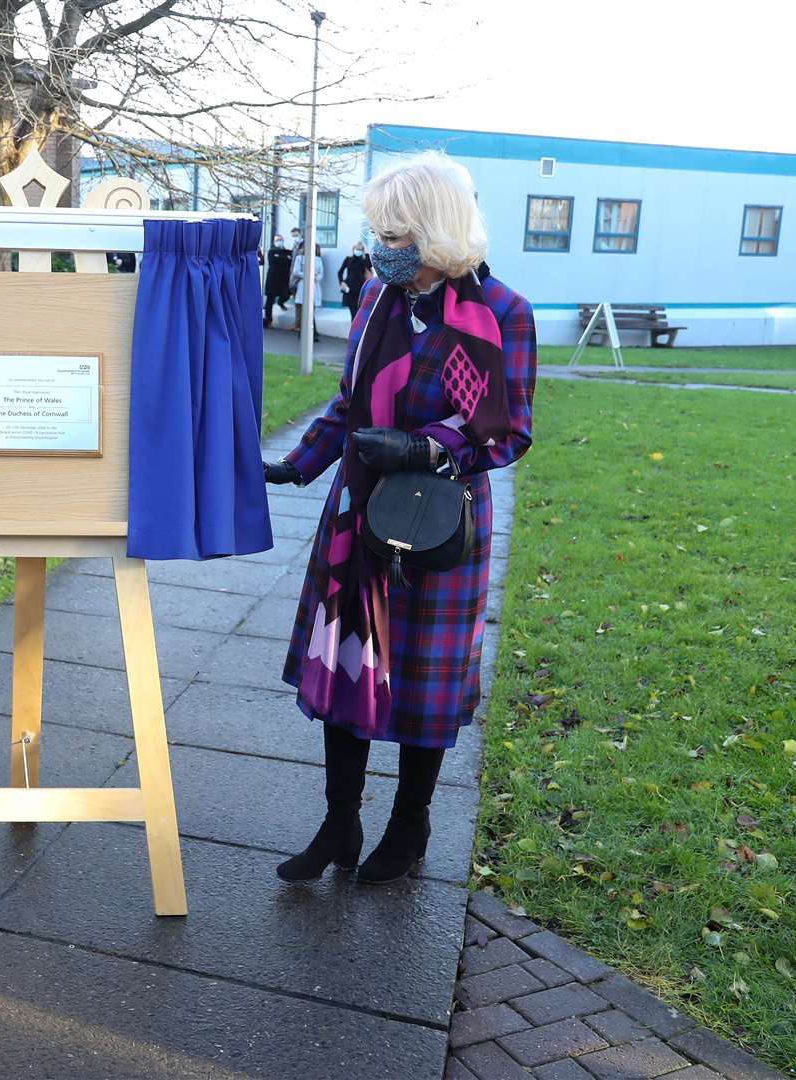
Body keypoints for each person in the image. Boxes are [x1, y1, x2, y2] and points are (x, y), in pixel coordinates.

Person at [262, 153, 535, 886]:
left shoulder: (502, 311)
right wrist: (297, 463)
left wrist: (426, 447)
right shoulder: (378, 302)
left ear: (435, 229)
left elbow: (508, 433)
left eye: (396, 229)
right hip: (358, 511)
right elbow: (350, 407)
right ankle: (339, 823)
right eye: (379, 227)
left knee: (422, 679)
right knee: (350, 665)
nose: (381, 242)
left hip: (439, 522)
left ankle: (409, 827)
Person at [291, 238, 324, 342]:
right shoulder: (300, 258)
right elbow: (296, 272)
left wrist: (315, 277)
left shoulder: (318, 259)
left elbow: (321, 274)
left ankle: (309, 333)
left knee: (311, 311)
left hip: (314, 287)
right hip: (303, 286)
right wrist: (308, 275)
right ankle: (307, 333)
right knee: (303, 311)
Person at [263, 233, 293, 327]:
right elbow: (273, 260)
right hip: (272, 279)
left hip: (284, 279)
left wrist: (280, 258)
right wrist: (284, 259)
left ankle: (280, 302)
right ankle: (268, 320)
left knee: (287, 294)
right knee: (270, 300)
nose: (279, 242)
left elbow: (289, 261)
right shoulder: (271, 251)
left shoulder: (288, 251)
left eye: (280, 239)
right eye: (277, 240)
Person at [339, 240, 372, 323]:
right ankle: (354, 335)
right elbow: (340, 272)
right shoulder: (348, 259)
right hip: (349, 289)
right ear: (353, 249)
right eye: (357, 249)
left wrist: (366, 254)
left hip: (361, 289)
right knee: (353, 315)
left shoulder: (365, 258)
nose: (358, 251)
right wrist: (341, 282)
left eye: (360, 249)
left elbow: (370, 269)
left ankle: (359, 334)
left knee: (360, 314)